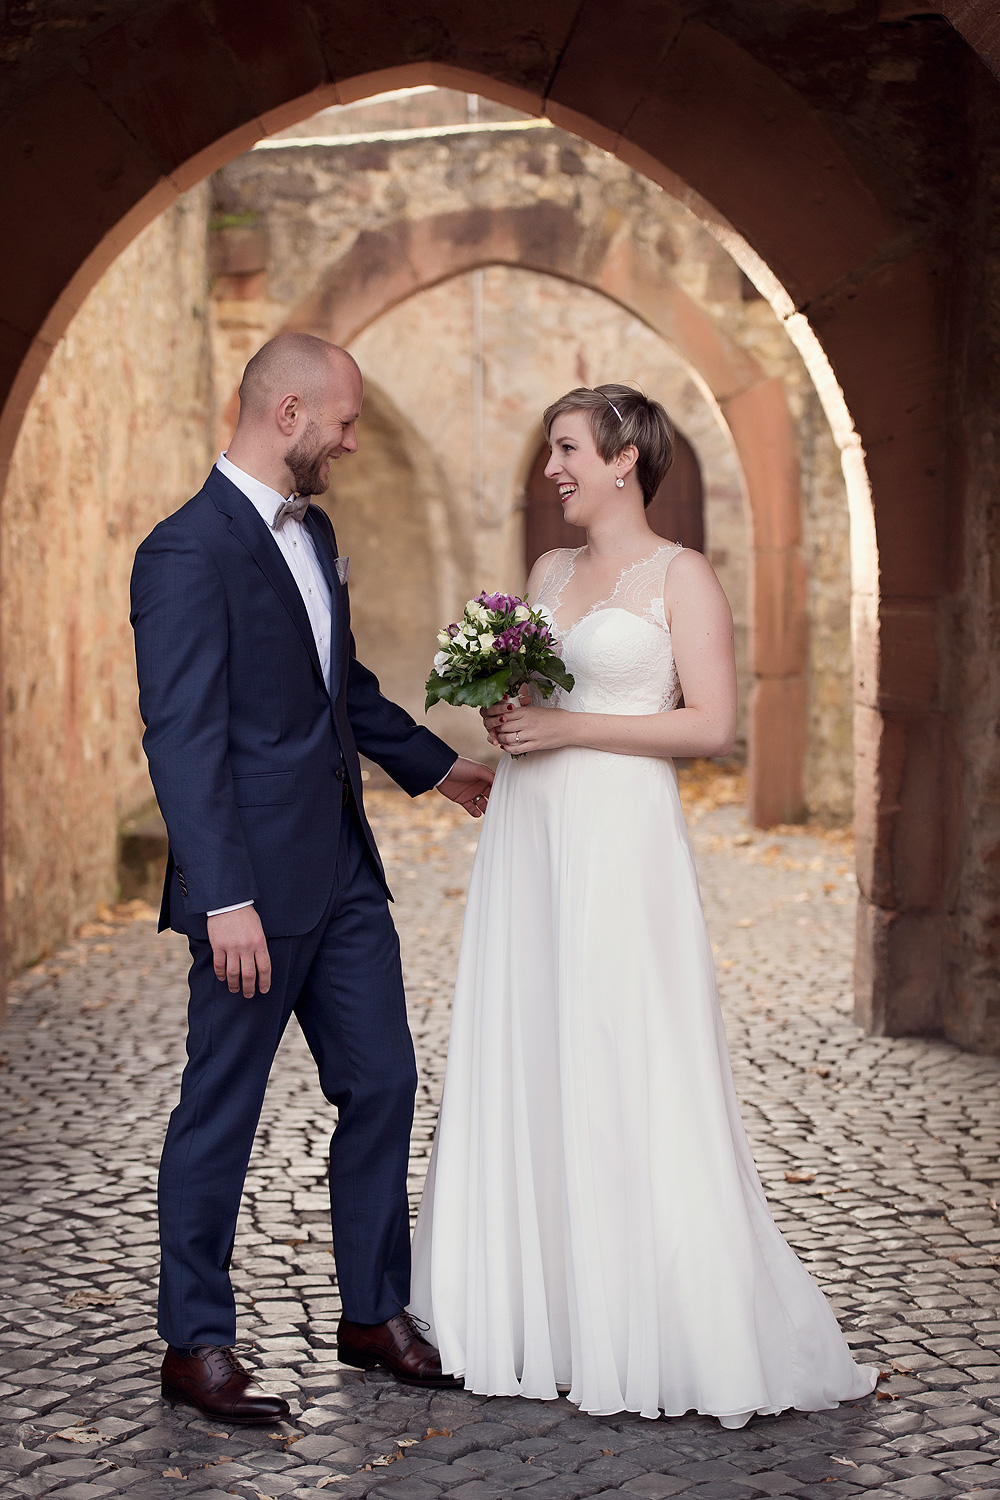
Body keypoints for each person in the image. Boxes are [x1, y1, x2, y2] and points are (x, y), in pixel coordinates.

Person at [409, 384, 877, 1426]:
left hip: (620, 839)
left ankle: (654, 1312)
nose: (552, 472)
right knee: (534, 1042)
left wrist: (574, 733)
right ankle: (537, 1307)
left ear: (625, 459)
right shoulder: (548, 571)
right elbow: (537, 698)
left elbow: (708, 724)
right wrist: (511, 715)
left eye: (567, 450)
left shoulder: (682, 576)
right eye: (548, 453)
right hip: (531, 835)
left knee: (628, 1044)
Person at [130, 332, 494, 1424]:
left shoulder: (314, 530)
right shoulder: (184, 552)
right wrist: (221, 895)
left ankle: (370, 1312)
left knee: (382, 1082)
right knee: (220, 1113)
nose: (349, 440)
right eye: (340, 422)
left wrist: (438, 771)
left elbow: (340, 688)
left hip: (343, 874)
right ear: (285, 413)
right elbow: (183, 737)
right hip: (251, 891)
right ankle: (194, 1342)